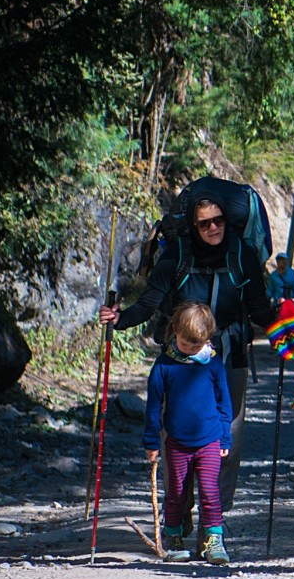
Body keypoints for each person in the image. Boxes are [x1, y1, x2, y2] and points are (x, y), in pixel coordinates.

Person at [104, 192, 274, 515]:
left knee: (229, 433)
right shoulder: (177, 256)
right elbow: (149, 303)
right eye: (205, 223)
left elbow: (258, 309)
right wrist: (120, 318)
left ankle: (215, 518)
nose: (213, 228)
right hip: (180, 358)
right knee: (175, 432)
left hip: (229, 354)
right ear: (193, 227)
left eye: (218, 221)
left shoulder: (242, 256)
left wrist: (286, 328)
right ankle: (178, 512)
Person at [141, 303, 234, 564]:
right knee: (177, 493)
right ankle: (174, 536)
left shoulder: (212, 363)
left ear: (207, 339)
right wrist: (151, 441)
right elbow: (153, 406)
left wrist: (225, 436)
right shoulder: (164, 365)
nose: (191, 350)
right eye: (185, 344)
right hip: (177, 443)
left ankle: (213, 539)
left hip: (210, 440)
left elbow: (224, 402)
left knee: (209, 490)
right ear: (174, 333)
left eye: (197, 345)